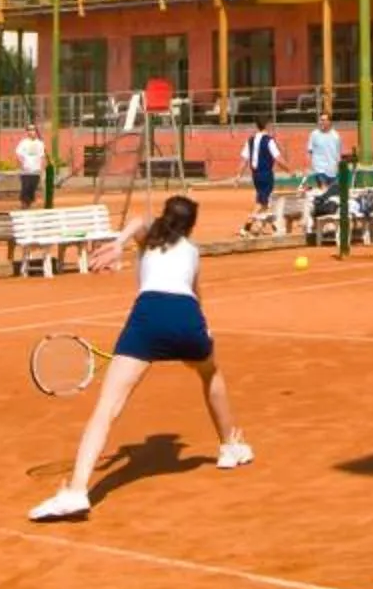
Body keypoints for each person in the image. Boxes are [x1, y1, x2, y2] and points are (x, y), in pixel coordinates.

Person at [28, 194, 250, 521]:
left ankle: (76, 491)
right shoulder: (191, 250)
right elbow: (196, 295)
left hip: (147, 319)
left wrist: (119, 243)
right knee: (210, 373)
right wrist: (200, 333)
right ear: (190, 226)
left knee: (107, 409)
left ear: (164, 217)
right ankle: (230, 446)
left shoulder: (149, 240)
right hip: (188, 317)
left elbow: (136, 223)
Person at [238, 119, 281, 237]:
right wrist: (290, 170)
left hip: (255, 175)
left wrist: (238, 175)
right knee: (261, 203)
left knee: (265, 202)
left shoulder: (250, 140)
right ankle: (246, 227)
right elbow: (278, 158)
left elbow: (244, 159)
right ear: (267, 125)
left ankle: (274, 227)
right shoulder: (269, 140)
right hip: (266, 174)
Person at [303, 115, 343, 236]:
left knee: (331, 197)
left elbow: (338, 154)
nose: (322, 122)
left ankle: (325, 223)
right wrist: (308, 166)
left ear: (330, 122)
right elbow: (309, 152)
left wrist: (339, 168)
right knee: (324, 193)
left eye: (324, 120)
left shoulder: (336, 136)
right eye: (320, 119)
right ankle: (321, 225)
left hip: (333, 170)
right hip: (319, 170)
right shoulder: (314, 134)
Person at [15, 126, 47, 211]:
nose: (31, 132)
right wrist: (22, 164)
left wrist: (41, 168)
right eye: (29, 130)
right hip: (26, 169)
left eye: (33, 130)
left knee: (32, 187)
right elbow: (18, 154)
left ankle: (29, 203)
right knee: (25, 186)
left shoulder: (40, 144)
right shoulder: (23, 143)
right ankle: (23, 203)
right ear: (27, 132)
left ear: (36, 132)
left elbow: (42, 156)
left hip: (36, 170)